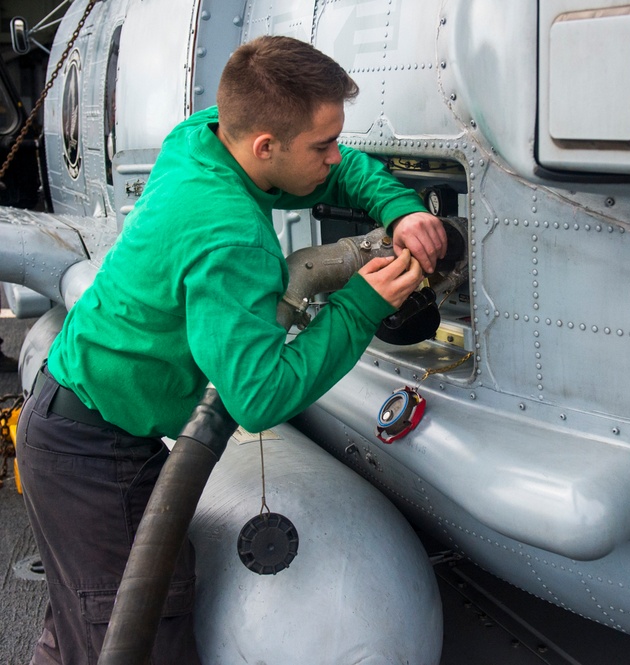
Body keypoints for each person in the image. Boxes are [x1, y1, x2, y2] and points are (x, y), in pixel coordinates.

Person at [17, 35, 446, 664]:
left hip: (78, 417)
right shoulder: (232, 239)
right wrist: (361, 306)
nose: (335, 158)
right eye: (322, 147)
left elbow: (342, 163)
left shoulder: (201, 138)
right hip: (90, 449)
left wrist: (398, 206)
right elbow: (258, 395)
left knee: (82, 619)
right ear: (264, 147)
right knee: (133, 635)